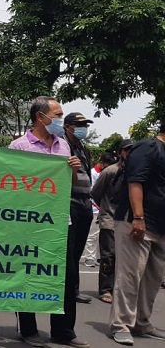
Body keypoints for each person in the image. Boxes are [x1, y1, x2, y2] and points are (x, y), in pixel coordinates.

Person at [9, 97, 89, 348]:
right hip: (30, 221)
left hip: (60, 220)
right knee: (29, 273)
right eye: (56, 114)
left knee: (66, 275)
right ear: (40, 117)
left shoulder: (64, 146)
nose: (59, 119)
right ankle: (29, 329)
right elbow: (10, 184)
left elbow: (71, 185)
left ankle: (63, 331)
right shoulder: (19, 146)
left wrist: (74, 170)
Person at [108, 124, 165, 345]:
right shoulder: (148, 147)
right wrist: (138, 217)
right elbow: (135, 182)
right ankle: (121, 325)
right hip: (137, 223)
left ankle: (141, 322)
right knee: (129, 277)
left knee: (152, 279)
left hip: (160, 227)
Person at [91, 140, 133, 305]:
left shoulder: (135, 171)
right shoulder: (110, 171)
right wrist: (105, 209)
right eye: (126, 150)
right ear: (119, 152)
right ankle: (106, 289)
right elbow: (95, 193)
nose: (129, 154)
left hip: (128, 221)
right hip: (109, 219)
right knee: (108, 255)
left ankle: (119, 288)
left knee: (125, 258)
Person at [62, 112, 97, 305]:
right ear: (68, 126)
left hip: (85, 203)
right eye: (79, 124)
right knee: (69, 250)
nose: (84, 128)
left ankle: (74, 291)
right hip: (70, 201)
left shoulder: (83, 148)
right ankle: (67, 291)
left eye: (85, 124)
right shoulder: (61, 146)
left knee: (78, 251)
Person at [83, 153, 117, 268]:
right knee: (92, 235)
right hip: (94, 208)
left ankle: (98, 257)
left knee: (101, 236)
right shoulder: (92, 173)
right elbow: (92, 192)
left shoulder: (108, 173)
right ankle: (89, 257)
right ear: (101, 163)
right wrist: (98, 205)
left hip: (103, 208)